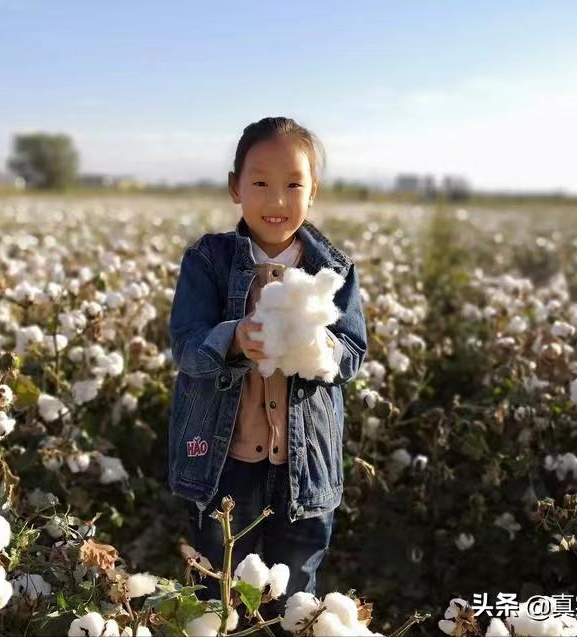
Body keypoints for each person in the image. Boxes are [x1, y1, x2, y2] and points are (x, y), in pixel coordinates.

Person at [167, 116, 367, 629]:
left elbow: (352, 354)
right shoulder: (207, 261)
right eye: (260, 183)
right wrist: (233, 338)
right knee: (219, 591)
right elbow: (186, 348)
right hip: (226, 463)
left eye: (293, 185)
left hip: (304, 468)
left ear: (313, 191)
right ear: (235, 187)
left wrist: (321, 346)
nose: (277, 200)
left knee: (295, 600)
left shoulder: (334, 270)